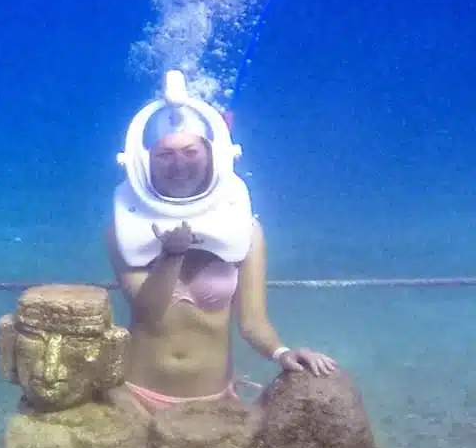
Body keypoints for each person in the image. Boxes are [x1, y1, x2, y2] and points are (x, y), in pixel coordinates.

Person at [105, 70, 337, 413]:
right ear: (144, 161)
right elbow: (149, 313)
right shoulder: (124, 225)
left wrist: (282, 352)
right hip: (135, 394)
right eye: (165, 155)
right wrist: (171, 256)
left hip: (213, 399)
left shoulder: (246, 229)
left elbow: (253, 322)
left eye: (190, 152)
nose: (179, 165)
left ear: (214, 155)